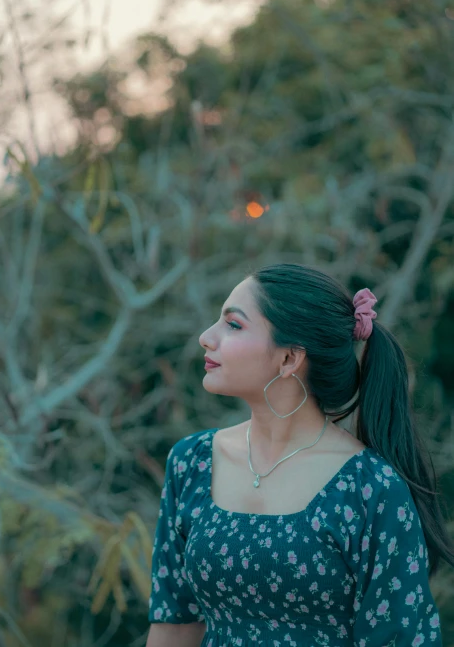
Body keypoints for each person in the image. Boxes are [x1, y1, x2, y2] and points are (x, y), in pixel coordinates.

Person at [146, 264, 452, 647]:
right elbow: (174, 625)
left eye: (234, 325)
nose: (206, 337)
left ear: (289, 359)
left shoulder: (369, 489)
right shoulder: (191, 462)